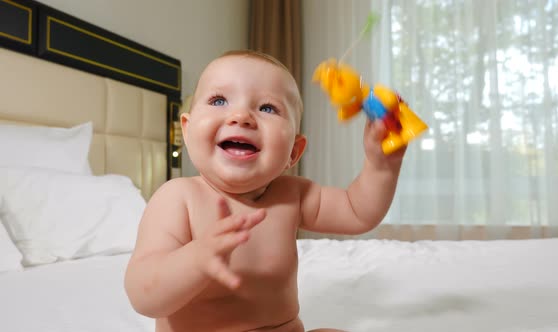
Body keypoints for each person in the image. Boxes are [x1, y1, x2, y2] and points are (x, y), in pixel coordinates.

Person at [124, 49, 406, 332]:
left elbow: (357, 212)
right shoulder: (178, 198)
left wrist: (381, 166)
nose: (241, 116)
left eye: (268, 108)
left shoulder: (292, 195)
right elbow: (144, 297)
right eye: (219, 100)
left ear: (293, 153)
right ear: (187, 130)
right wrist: (197, 258)